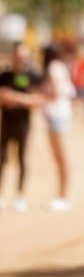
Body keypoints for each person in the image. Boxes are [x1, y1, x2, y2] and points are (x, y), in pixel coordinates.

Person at [0, 44, 44, 212]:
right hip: (5, 123)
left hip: (23, 123)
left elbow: (39, 98)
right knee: (2, 158)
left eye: (24, 57)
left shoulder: (32, 76)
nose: (21, 60)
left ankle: (19, 196)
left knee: (21, 158)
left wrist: (17, 98)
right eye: (18, 56)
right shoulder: (5, 75)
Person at [42, 43, 76, 211]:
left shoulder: (52, 68)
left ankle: (63, 196)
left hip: (56, 115)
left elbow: (54, 92)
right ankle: (62, 195)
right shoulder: (61, 67)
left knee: (61, 158)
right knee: (60, 158)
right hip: (59, 114)